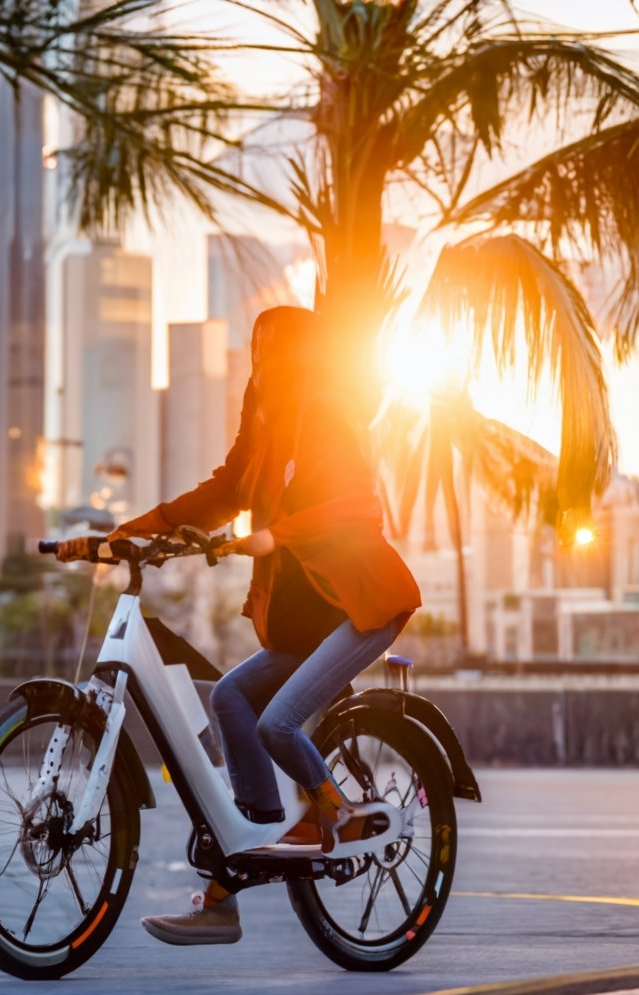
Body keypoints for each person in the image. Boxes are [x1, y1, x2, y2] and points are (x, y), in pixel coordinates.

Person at [58, 306, 421, 946]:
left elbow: (355, 506)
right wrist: (134, 530)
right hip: (308, 619)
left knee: (277, 723)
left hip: (361, 604)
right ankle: (231, 886)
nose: (262, 356)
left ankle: (332, 816)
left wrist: (276, 533)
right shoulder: (264, 425)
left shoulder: (329, 417)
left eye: (275, 346)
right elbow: (225, 488)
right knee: (229, 697)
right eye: (257, 345)